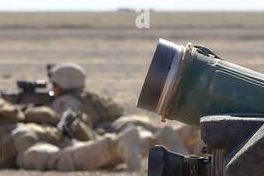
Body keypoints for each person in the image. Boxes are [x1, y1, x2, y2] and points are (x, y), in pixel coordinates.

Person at [0, 76, 139, 170]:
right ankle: (128, 145)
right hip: (35, 130)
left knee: (59, 160)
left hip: (21, 142)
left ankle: (114, 145)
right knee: (77, 149)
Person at [47, 62, 197, 161]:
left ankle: (163, 141)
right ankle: (190, 132)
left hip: (115, 128)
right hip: (130, 120)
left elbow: (65, 126)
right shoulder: (92, 97)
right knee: (151, 133)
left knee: (136, 142)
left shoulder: (64, 101)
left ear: (61, 85)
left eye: (54, 84)